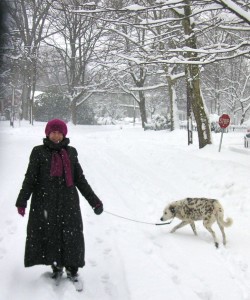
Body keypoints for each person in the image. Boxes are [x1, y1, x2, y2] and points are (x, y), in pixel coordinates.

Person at [16, 119, 103, 281]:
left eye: (59, 132)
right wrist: (22, 200)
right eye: (53, 132)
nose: (56, 136)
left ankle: (72, 267)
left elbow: (80, 179)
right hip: (45, 202)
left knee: (72, 234)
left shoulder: (70, 152)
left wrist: (94, 201)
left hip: (68, 203)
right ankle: (56, 266)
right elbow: (30, 178)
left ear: (64, 134)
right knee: (51, 234)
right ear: (47, 133)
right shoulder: (38, 152)